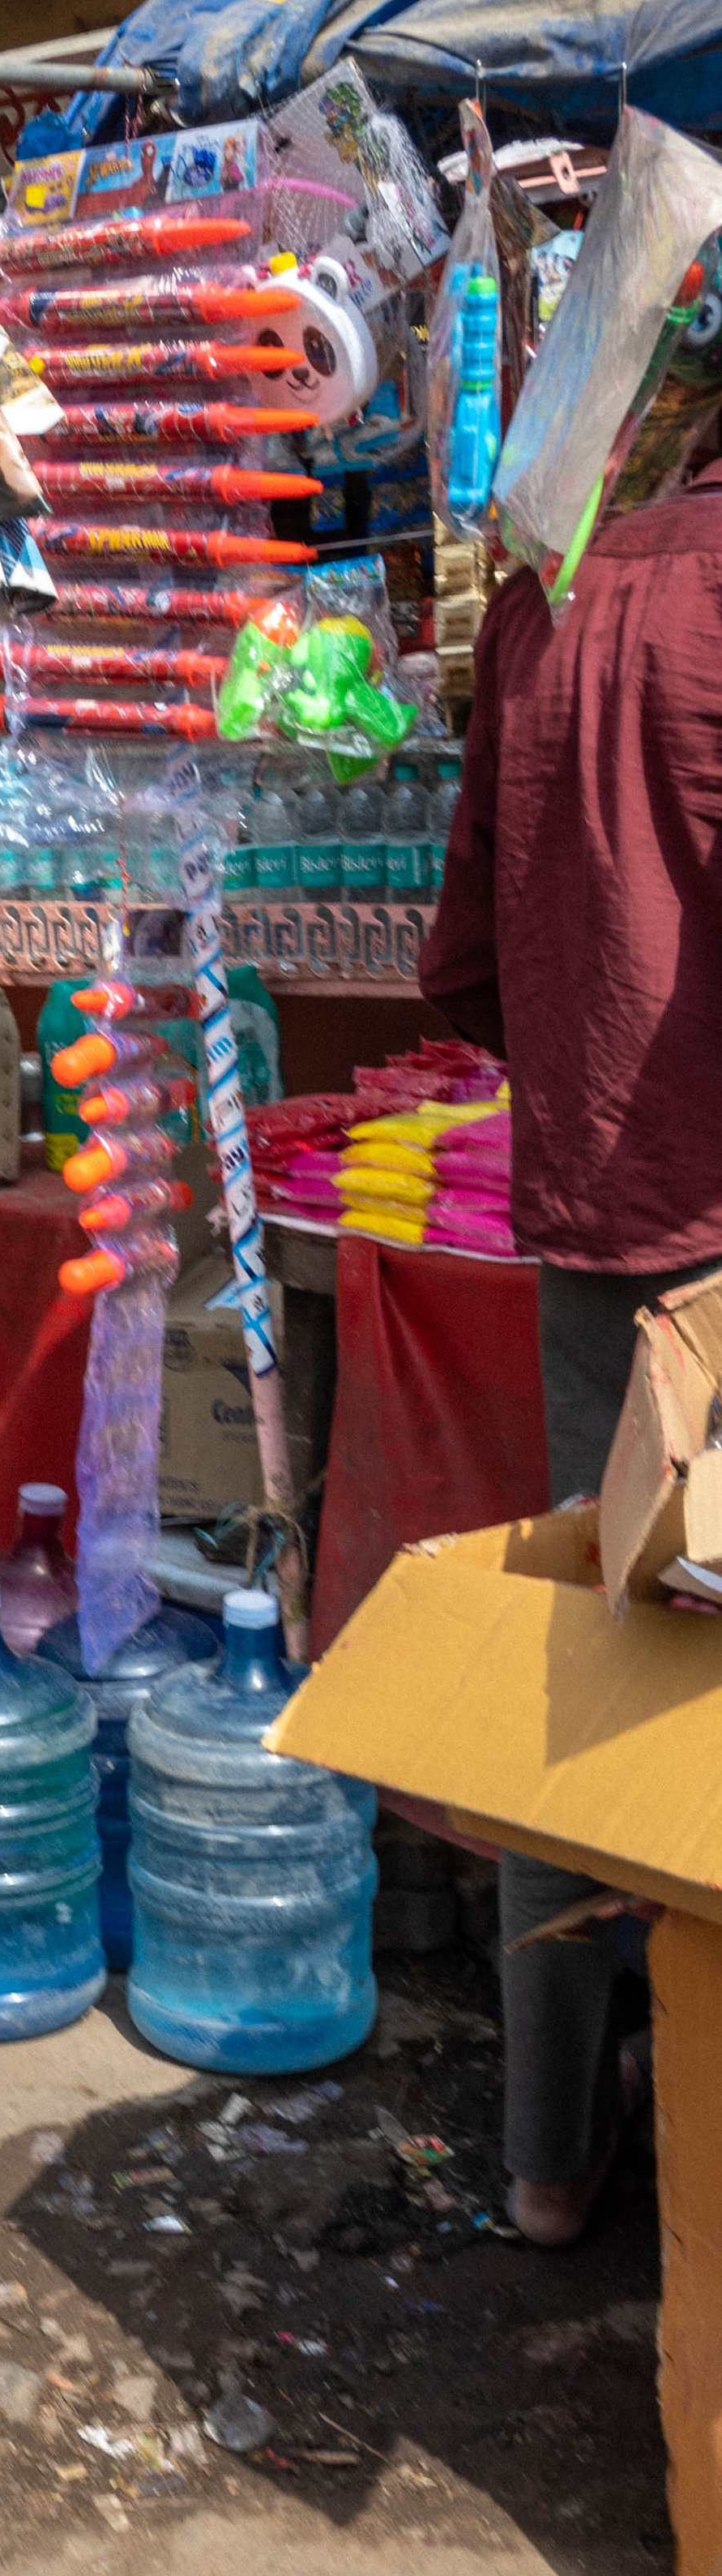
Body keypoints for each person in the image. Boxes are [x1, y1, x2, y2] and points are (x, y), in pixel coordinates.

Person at [421, 469, 722, 2243]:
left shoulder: (542, 592)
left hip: (593, 1224)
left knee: (585, 1659)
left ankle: (545, 2155)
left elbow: (463, 962)